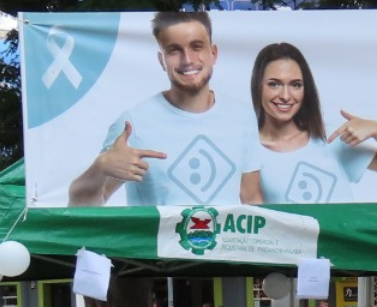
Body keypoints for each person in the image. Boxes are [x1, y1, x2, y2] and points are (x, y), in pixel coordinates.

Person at [69, 11, 262, 207]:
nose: (188, 59)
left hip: (225, 239)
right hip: (151, 239)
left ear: (213, 54)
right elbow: (79, 206)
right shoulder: (132, 124)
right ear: (162, 60)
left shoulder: (242, 116)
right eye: (174, 50)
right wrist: (100, 167)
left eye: (197, 47)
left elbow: (252, 200)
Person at [249, 41, 377, 205]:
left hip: (345, 234)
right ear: (258, 86)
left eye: (296, 85)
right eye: (274, 84)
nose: (285, 95)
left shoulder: (331, 137)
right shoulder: (247, 152)